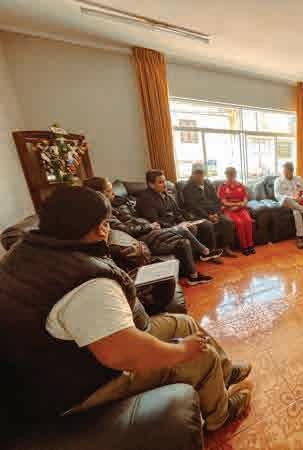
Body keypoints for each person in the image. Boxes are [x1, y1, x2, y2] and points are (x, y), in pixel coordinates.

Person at [0, 186, 252, 431]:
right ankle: (220, 415)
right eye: (106, 223)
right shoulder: (86, 282)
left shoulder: (28, 250)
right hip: (74, 387)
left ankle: (225, 372)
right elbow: (123, 356)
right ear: (99, 227)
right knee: (201, 356)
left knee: (184, 323)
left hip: (61, 361)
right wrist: (183, 350)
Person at [83, 177, 212, 285]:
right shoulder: (105, 215)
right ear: (99, 195)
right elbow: (127, 230)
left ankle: (195, 271)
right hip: (141, 237)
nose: (114, 194)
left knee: (184, 237)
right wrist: (149, 226)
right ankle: (204, 252)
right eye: (109, 191)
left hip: (146, 230)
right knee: (182, 230)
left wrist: (147, 224)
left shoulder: (116, 205)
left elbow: (134, 219)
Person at [136, 169, 223, 263]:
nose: (165, 184)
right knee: (192, 228)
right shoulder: (146, 199)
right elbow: (154, 221)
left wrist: (186, 220)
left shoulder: (166, 194)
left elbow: (177, 211)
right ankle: (200, 254)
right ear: (151, 184)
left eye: (164, 181)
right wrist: (177, 225)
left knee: (206, 224)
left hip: (177, 223)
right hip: (164, 228)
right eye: (160, 182)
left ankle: (207, 254)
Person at [182, 164, 238, 258]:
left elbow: (216, 201)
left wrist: (216, 213)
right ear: (192, 174)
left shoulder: (208, 184)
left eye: (201, 173)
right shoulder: (187, 188)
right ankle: (211, 252)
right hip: (198, 215)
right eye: (197, 173)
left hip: (213, 212)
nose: (200, 175)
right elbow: (193, 206)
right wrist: (208, 216)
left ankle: (226, 247)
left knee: (228, 221)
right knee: (208, 225)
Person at [274, 162, 303, 250]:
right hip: (285, 202)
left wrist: (302, 198)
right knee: (286, 198)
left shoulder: (298, 179)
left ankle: (300, 237)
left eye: (287, 172)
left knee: (297, 212)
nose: (285, 174)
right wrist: (292, 198)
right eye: (284, 172)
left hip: (297, 203)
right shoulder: (278, 181)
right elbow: (277, 195)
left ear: (292, 171)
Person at [217, 167, 255, 256]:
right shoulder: (222, 187)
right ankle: (244, 247)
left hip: (241, 209)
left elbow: (245, 199)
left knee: (248, 221)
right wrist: (237, 204)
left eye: (233, 174)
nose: (231, 176)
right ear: (226, 175)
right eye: (229, 174)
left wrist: (240, 205)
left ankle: (250, 245)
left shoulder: (240, 185)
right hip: (229, 210)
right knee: (239, 223)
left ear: (235, 174)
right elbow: (224, 202)